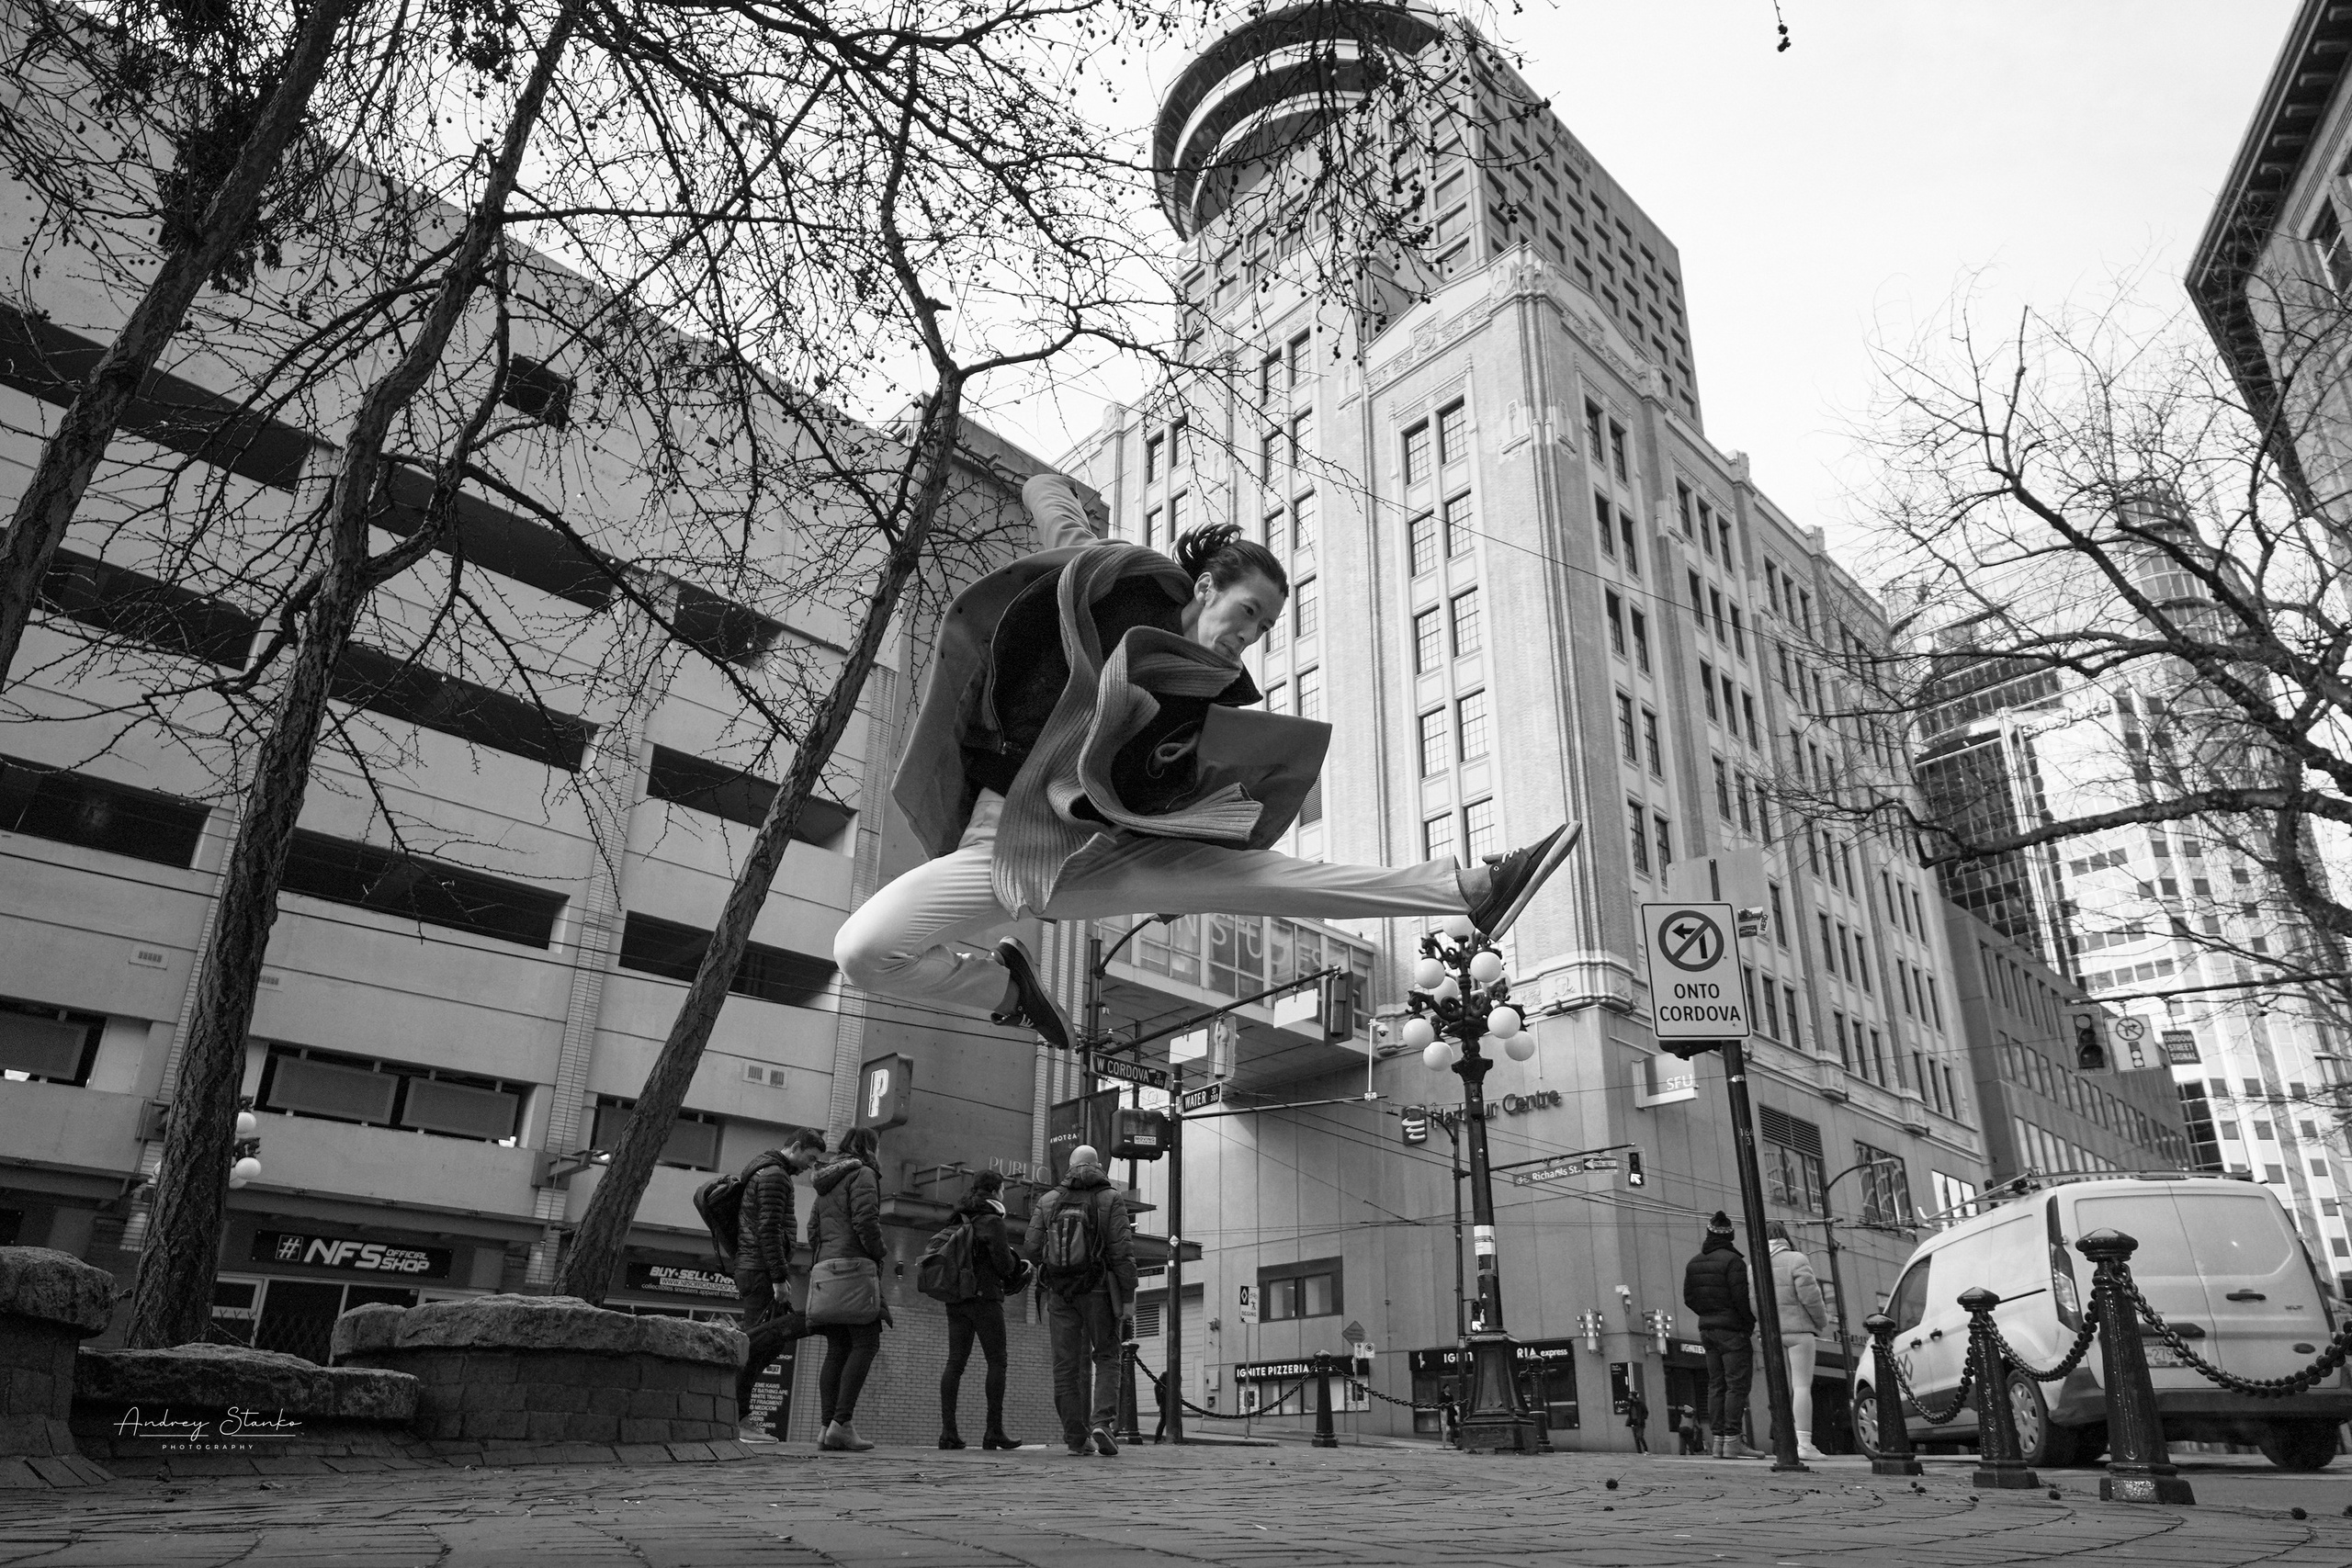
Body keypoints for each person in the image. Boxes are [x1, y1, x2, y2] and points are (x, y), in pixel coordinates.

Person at [834, 476, 1579, 1048]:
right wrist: (1045, 485)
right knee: (862, 951)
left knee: (1272, 879)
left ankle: (1473, 887)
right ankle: (1004, 991)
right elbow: (1063, 524)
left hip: (1103, 850)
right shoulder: (1108, 585)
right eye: (1248, 611)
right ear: (1203, 588)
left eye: (1267, 626)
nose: (1252, 634)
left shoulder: (1199, 691)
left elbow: (1163, 782)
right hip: (1003, 844)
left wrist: (1188, 828)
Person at [1024, 1143, 1136, 1457]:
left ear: (1069, 1168)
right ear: (1098, 1165)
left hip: (1060, 1292)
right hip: (1099, 1289)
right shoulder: (1110, 1198)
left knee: (1065, 1366)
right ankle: (1102, 1422)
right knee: (1107, 1355)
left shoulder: (1048, 1201)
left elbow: (1031, 1248)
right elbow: (1122, 1252)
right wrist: (1127, 1296)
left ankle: (1076, 1437)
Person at [731, 1127, 830, 1437]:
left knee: (765, 1343)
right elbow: (769, 1229)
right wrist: (779, 1278)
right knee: (758, 1344)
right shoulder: (775, 1176)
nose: (810, 1166)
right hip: (761, 1270)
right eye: (810, 1158)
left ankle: (738, 1415)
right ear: (796, 1147)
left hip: (755, 1267)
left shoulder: (765, 1171)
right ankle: (738, 1416)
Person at [808, 1125, 889, 1451]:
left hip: (826, 1268)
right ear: (870, 1147)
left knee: (837, 1347)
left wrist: (824, 1257)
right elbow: (866, 1220)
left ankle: (827, 1426)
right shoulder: (864, 1174)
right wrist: (878, 1252)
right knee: (866, 1341)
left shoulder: (825, 1181)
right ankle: (842, 1423)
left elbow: (814, 1228)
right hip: (855, 1266)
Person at [938, 1169, 1026, 1450]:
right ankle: (993, 1431)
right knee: (997, 1362)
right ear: (997, 1190)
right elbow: (1004, 1265)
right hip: (985, 1297)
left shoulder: (958, 1216)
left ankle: (948, 1433)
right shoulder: (992, 1220)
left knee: (955, 1363)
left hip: (956, 1299)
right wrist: (1015, 1265)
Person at [1683, 1210, 1766, 1460]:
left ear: (1708, 1234)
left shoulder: (1694, 1262)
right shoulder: (1734, 1262)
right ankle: (1733, 1439)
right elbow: (1742, 1299)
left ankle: (1718, 1440)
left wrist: (1708, 1312)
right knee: (1736, 1385)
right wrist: (1748, 1322)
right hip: (1732, 1330)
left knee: (1716, 1384)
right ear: (1730, 1235)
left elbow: (1689, 1299)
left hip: (1707, 1329)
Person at [1767, 1219, 1833, 1461]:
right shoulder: (1797, 1259)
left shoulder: (1756, 1264)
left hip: (1772, 1333)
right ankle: (1804, 1443)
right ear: (1784, 1236)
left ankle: (1783, 1442)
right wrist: (1821, 1321)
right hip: (1800, 1330)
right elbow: (1811, 1297)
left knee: (1779, 1389)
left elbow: (1754, 1301)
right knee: (1802, 1386)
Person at [1623, 1384, 1650, 1453]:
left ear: (1633, 1396)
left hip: (1640, 1423)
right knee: (1636, 1438)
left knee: (1640, 1436)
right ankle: (1639, 1452)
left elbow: (1646, 1412)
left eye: (1630, 1395)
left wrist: (1643, 1418)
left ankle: (1646, 1449)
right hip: (1633, 1422)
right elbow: (1630, 1413)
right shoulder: (1630, 1404)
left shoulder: (1640, 1404)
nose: (1629, 1397)